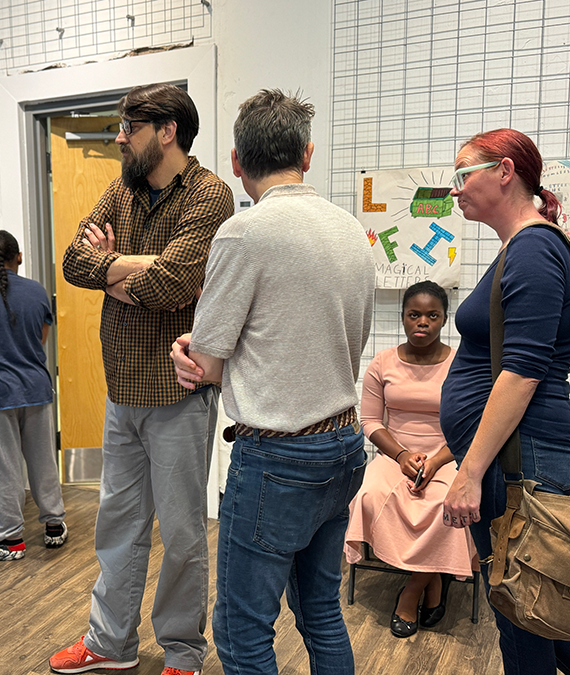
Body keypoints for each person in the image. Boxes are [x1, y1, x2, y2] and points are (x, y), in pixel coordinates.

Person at [170, 89, 374, 675]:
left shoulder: (243, 233)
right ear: (307, 154)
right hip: (343, 444)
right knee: (321, 613)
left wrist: (186, 348)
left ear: (236, 161)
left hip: (279, 456)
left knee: (241, 630)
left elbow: (206, 364)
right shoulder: (350, 230)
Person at [51, 83, 233, 675]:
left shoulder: (210, 195)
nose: (121, 137)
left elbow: (179, 282)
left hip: (179, 391)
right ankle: (109, 644)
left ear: (167, 131)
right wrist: (131, 268)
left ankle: (182, 650)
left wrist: (117, 269)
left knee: (182, 534)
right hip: (121, 387)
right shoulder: (122, 189)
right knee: (117, 526)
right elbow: (74, 262)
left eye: (129, 126)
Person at [440, 129, 570, 674]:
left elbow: (521, 373)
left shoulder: (535, 248)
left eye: (461, 174)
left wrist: (469, 475)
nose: (454, 190)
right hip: (514, 458)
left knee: (526, 619)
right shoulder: (522, 247)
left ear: (505, 171)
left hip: (523, 462)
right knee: (541, 617)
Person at [344, 281, 475, 638]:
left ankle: (412, 590)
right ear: (402, 318)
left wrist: (434, 462)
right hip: (395, 454)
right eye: (414, 315)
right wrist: (401, 455)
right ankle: (434, 580)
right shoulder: (382, 362)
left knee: (444, 505)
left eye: (432, 315)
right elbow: (370, 421)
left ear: (444, 319)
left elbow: (470, 426)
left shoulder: (460, 364)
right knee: (369, 495)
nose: (423, 322)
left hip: (447, 455)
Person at [0, 230, 67, 560]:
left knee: (3, 468)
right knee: (44, 461)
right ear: (19, 257)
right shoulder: (37, 292)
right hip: (35, 388)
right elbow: (41, 338)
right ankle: (54, 526)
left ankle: (9, 540)